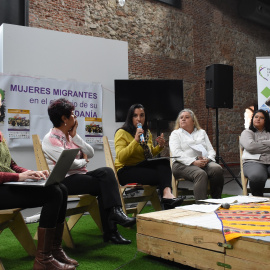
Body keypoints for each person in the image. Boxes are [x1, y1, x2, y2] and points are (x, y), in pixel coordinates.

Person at [42, 98, 136, 245]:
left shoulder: (70, 136)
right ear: (64, 118)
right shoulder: (50, 139)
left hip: (80, 176)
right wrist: (83, 161)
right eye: (73, 114)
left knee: (107, 172)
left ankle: (115, 214)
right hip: (64, 180)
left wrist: (75, 137)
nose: (76, 117)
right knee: (105, 184)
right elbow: (70, 164)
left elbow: (90, 152)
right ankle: (112, 229)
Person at [0, 132, 77, 270]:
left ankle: (54, 250)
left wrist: (30, 173)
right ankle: (43, 259)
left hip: (5, 186)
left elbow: (11, 164)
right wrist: (18, 177)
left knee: (61, 188)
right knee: (53, 193)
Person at [114, 104, 184, 210]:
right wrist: (135, 141)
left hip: (141, 166)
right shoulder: (121, 133)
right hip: (125, 170)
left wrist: (160, 147)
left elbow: (149, 154)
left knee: (164, 163)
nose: (139, 119)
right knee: (162, 175)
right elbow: (121, 157)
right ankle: (167, 202)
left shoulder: (147, 133)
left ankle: (167, 196)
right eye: (135, 116)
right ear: (130, 118)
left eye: (142, 115)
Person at [169, 109, 224, 203]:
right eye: (181, 118)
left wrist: (208, 159)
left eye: (187, 117)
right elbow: (177, 153)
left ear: (193, 121)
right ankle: (201, 206)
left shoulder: (201, 132)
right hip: (181, 164)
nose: (183, 119)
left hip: (203, 162)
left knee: (217, 169)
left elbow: (211, 150)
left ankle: (216, 201)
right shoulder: (176, 134)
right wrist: (193, 162)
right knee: (200, 174)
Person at [240, 109, 270, 196]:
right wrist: (267, 144)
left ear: (266, 120)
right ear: (252, 119)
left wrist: (258, 143)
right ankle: (257, 199)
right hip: (253, 162)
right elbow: (251, 147)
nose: (258, 119)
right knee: (257, 175)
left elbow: (254, 146)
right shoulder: (247, 132)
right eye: (256, 117)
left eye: (261, 118)